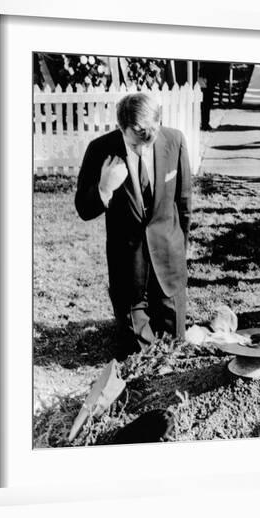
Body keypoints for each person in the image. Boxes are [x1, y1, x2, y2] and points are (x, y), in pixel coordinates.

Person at [75, 93, 191, 360]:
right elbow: (83, 208)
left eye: (148, 144)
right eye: (135, 144)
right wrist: (104, 188)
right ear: (120, 127)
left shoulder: (175, 141)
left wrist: (179, 252)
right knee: (137, 355)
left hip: (168, 260)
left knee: (176, 348)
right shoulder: (99, 150)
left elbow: (183, 203)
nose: (142, 150)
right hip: (127, 267)